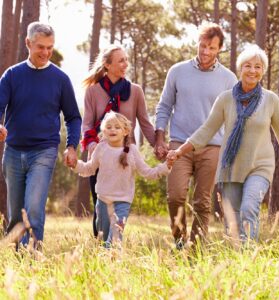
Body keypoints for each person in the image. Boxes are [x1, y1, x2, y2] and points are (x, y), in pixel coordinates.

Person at [167, 44, 279, 242]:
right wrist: (180, 151)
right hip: (231, 167)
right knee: (233, 221)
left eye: (258, 66)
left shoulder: (271, 100)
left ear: (263, 71)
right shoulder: (225, 99)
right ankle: (238, 259)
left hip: (260, 166)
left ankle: (248, 256)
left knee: (249, 207)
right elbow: (207, 130)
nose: (253, 70)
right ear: (240, 69)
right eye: (248, 66)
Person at [155, 22, 237, 249]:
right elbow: (164, 106)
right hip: (179, 144)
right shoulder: (177, 71)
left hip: (212, 147)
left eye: (211, 47)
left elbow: (232, 117)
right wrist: (160, 138)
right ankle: (180, 241)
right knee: (175, 196)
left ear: (219, 49)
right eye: (202, 45)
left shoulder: (228, 79)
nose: (205, 52)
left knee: (202, 202)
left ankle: (196, 248)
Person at [0, 22, 81, 248]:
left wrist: (72, 146)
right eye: (40, 47)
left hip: (44, 151)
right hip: (14, 151)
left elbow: (73, 116)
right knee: (16, 215)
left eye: (50, 48)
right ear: (28, 43)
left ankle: (34, 257)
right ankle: (18, 259)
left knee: (34, 208)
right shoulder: (12, 75)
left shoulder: (60, 79)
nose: (46, 53)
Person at [81, 44, 156, 237]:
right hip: (101, 156)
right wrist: (93, 148)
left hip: (125, 156)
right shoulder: (92, 91)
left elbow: (145, 123)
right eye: (121, 60)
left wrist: (158, 145)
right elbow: (87, 124)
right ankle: (100, 248)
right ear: (107, 64)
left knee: (120, 206)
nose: (125, 64)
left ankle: (113, 246)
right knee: (100, 207)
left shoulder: (135, 91)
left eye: (126, 59)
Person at [72, 112, 170, 247]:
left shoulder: (132, 151)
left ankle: (112, 257)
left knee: (115, 237)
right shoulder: (101, 148)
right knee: (103, 237)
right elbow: (89, 168)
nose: (113, 130)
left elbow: (148, 172)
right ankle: (106, 263)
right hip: (103, 201)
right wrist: (75, 164)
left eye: (117, 127)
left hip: (122, 202)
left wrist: (166, 166)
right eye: (109, 127)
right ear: (104, 131)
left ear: (125, 131)